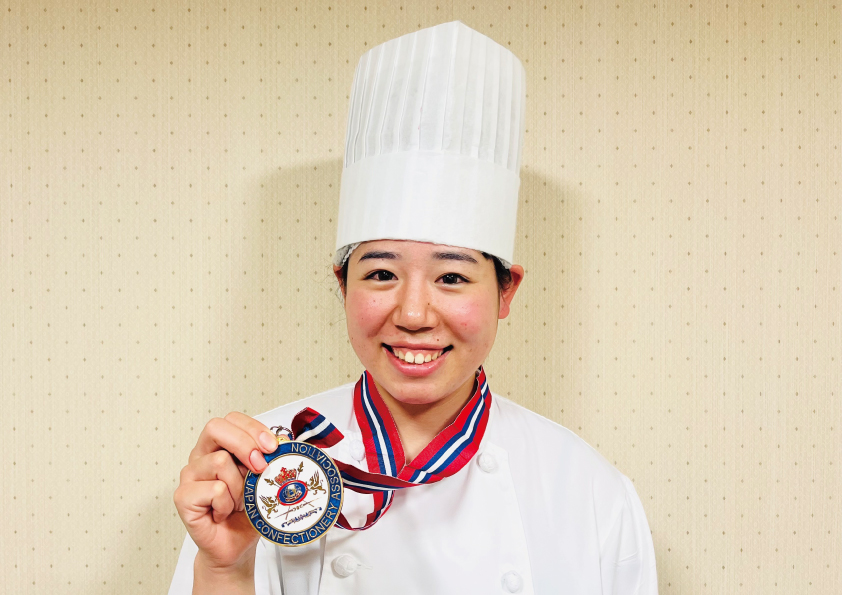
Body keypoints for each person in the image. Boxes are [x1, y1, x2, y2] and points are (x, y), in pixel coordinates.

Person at [169, 20, 658, 595]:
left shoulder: (589, 491)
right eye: (381, 273)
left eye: (452, 277)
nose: (414, 314)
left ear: (506, 292)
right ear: (342, 285)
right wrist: (224, 568)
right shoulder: (262, 471)